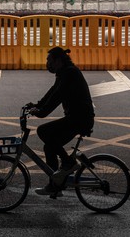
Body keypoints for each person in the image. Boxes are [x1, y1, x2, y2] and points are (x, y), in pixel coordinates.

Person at [29, 47, 95, 197]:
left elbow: (57, 96)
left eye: (49, 61)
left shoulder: (70, 73)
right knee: (50, 147)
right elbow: (52, 91)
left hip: (79, 119)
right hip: (76, 118)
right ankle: (56, 185)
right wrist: (37, 105)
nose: (48, 64)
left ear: (58, 61)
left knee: (43, 131)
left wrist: (42, 113)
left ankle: (68, 163)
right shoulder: (64, 72)